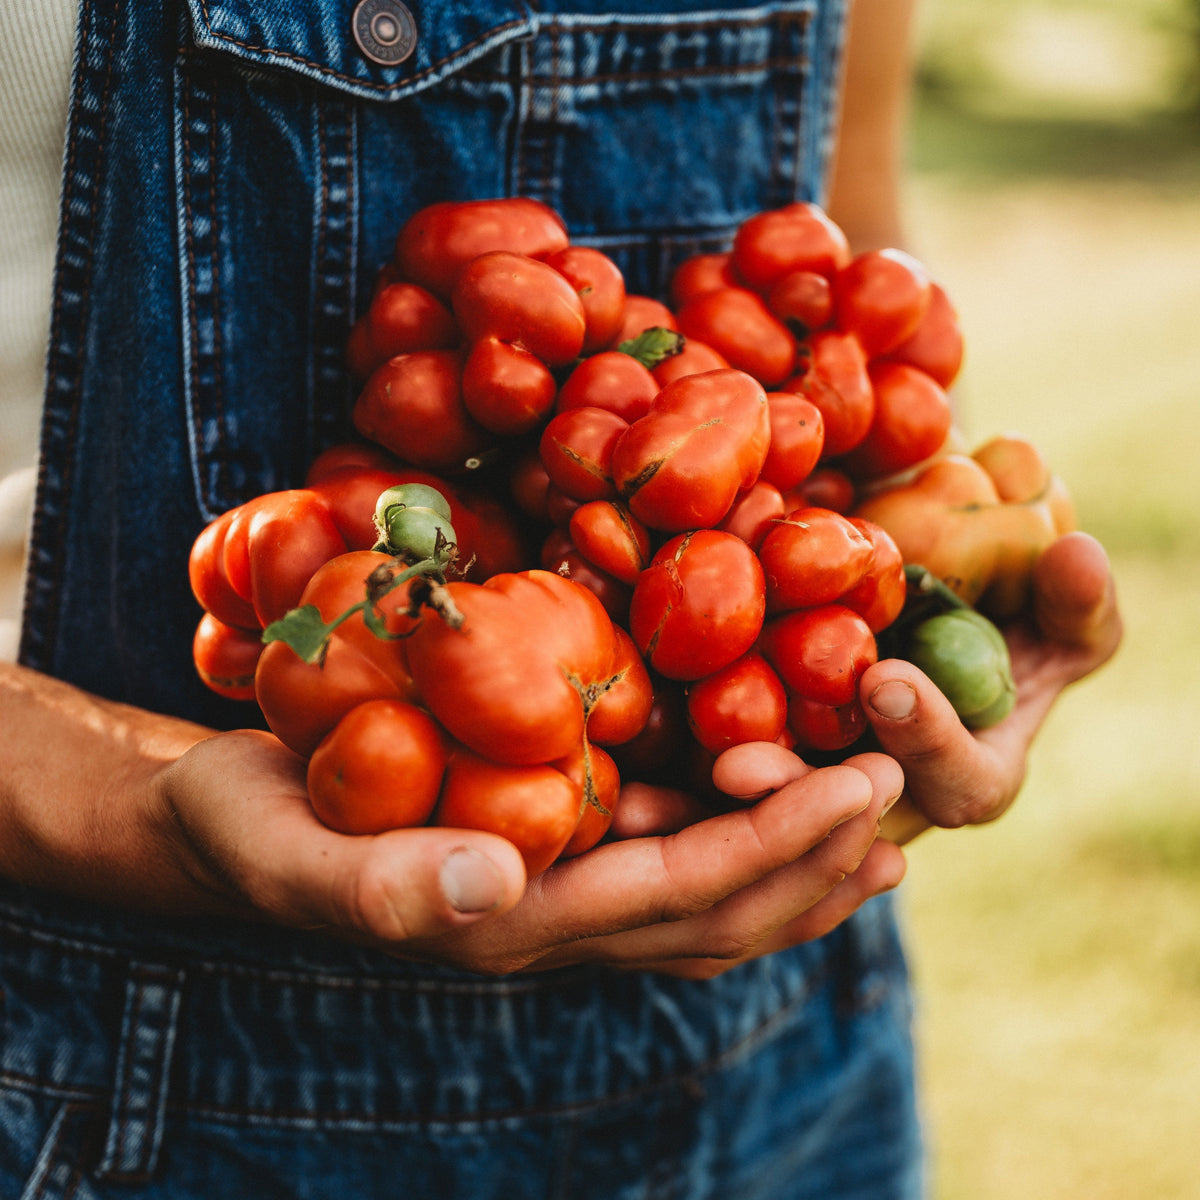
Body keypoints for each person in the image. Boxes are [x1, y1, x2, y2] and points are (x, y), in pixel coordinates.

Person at [0, 0, 1120, 1196]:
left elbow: (857, 260)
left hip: (782, 1062)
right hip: (129, 1062)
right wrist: (139, 805)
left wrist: (926, 631)